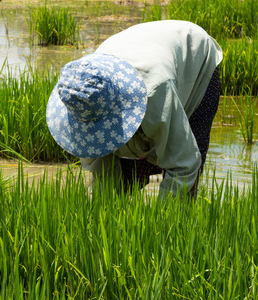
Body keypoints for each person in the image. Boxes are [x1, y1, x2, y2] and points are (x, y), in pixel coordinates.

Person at [46, 20, 223, 199]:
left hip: (194, 57)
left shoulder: (155, 92)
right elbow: (101, 168)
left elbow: (184, 164)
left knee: (179, 169)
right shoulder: (80, 91)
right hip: (144, 48)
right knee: (123, 180)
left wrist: (164, 220)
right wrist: (100, 208)